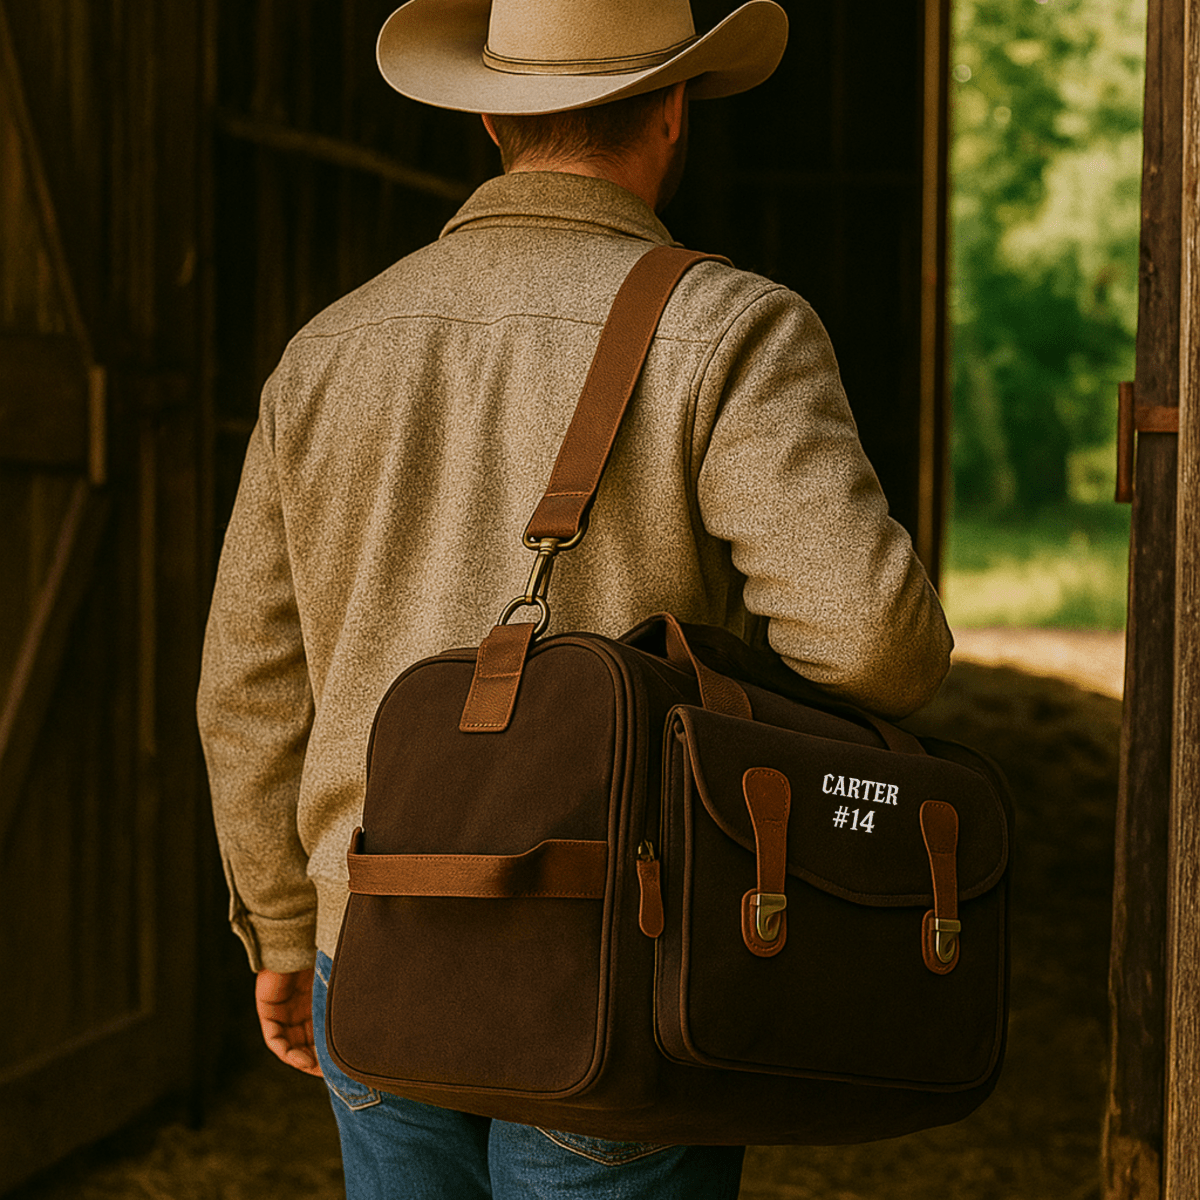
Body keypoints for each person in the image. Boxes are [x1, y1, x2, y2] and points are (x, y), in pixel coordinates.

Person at [197, 0, 954, 1195]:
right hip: (616, 954)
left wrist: (285, 930)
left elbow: (246, 684)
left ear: (491, 113)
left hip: (372, 939)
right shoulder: (729, 330)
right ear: (672, 111)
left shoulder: (327, 349)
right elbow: (878, 646)